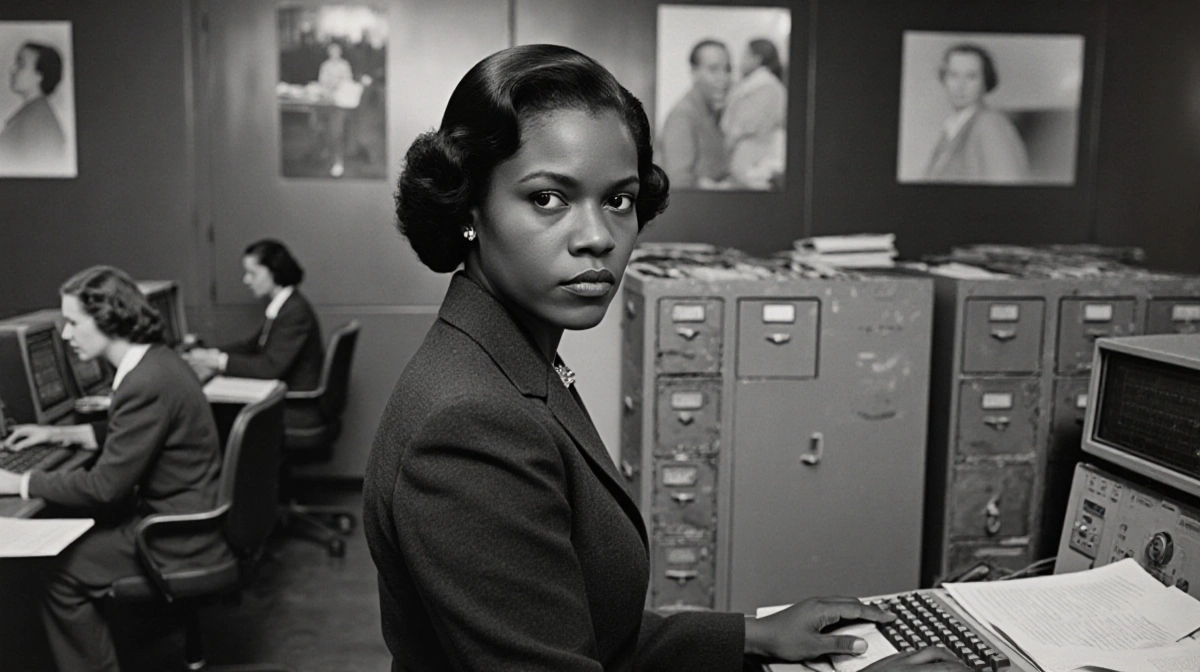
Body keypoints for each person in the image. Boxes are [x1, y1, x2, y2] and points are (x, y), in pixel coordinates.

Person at [364, 43, 968, 672]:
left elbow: (587, 631)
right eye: (548, 198)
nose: (597, 237)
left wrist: (749, 635)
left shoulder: (506, 361)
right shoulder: (470, 427)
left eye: (618, 200)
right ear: (468, 206)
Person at [0, 266, 231, 672]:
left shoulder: (143, 382)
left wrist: (20, 482)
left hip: (176, 539)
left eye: (72, 322)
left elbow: (106, 486)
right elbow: (134, 432)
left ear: (108, 319)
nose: (66, 335)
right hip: (193, 518)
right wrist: (59, 435)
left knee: (58, 575)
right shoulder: (159, 362)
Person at [184, 239, 325, 429]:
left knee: (213, 415)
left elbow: (270, 368)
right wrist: (210, 353)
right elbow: (251, 345)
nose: (246, 280)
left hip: (296, 410)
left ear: (274, 272)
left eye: (252, 273)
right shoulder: (286, 306)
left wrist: (219, 362)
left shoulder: (295, 313)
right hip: (288, 401)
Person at [925, 43, 1029, 183]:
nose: (960, 85)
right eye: (954, 75)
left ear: (985, 82)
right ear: (944, 79)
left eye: (971, 76)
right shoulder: (952, 128)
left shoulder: (990, 124)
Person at [657, 38, 732, 189]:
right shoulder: (682, 116)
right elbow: (679, 180)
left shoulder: (712, 111)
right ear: (694, 72)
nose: (723, 78)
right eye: (713, 69)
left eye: (727, 69)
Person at [722, 37, 787, 190]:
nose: (741, 61)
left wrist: (727, 146)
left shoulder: (764, 87)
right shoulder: (755, 86)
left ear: (757, 59)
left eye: (745, 55)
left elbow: (745, 126)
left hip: (754, 160)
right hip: (748, 158)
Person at [0, 41, 67, 171]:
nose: (13, 69)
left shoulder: (39, 121)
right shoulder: (32, 114)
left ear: (39, 76)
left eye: (21, 64)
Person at [318, 42, 354, 178]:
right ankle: (327, 154)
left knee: (337, 132)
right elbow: (322, 82)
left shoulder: (344, 65)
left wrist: (336, 85)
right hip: (327, 102)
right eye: (331, 51)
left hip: (341, 103)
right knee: (325, 129)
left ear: (340, 52)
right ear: (328, 52)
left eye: (337, 51)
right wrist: (329, 87)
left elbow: (348, 82)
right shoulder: (325, 66)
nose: (334, 53)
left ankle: (338, 163)